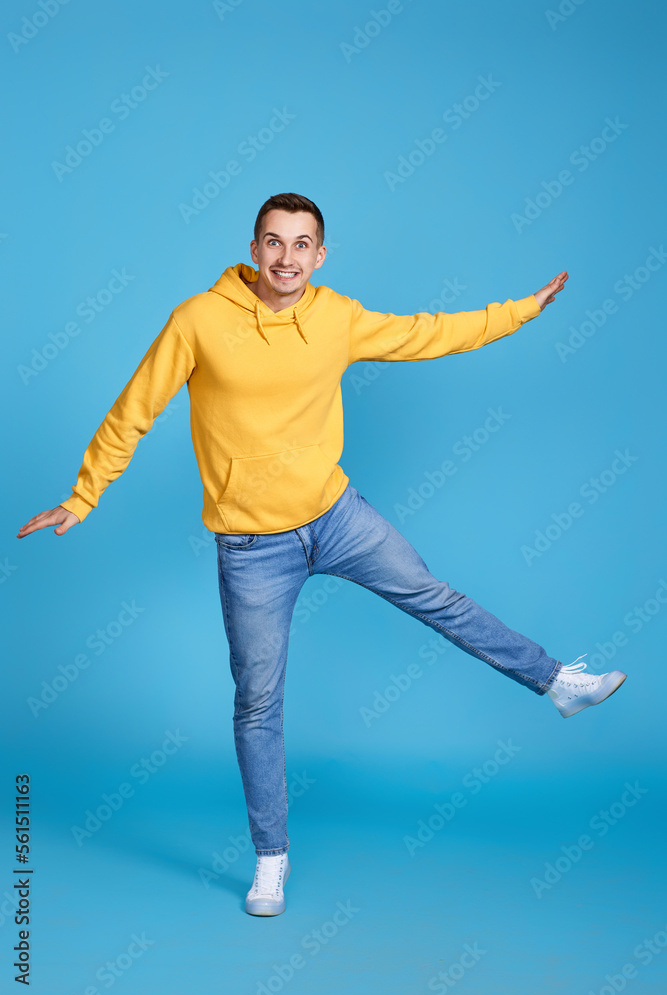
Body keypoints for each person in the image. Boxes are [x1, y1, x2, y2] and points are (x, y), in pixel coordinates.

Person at [17, 192, 627, 917]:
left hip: (334, 516)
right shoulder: (198, 321)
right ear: (253, 249)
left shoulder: (335, 316)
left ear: (320, 255)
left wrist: (520, 310)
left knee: (434, 595)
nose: (286, 258)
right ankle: (270, 861)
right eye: (273, 243)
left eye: (302, 245)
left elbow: (427, 334)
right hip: (252, 546)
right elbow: (134, 410)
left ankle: (557, 683)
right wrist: (83, 496)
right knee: (257, 703)